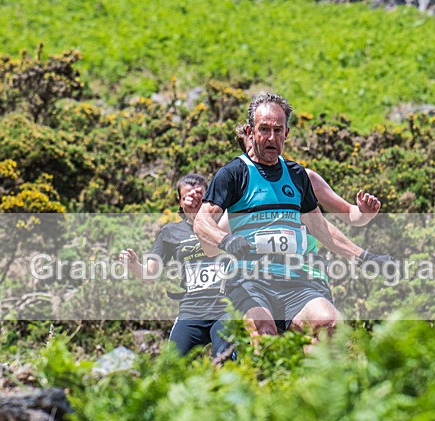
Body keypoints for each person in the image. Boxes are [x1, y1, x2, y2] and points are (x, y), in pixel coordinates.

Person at [195, 92, 389, 339]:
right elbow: (202, 221)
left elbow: (320, 228)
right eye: (264, 129)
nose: (271, 138)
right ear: (250, 131)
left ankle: (313, 377)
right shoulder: (233, 174)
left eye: (278, 130)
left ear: (287, 133)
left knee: (330, 324)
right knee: (263, 329)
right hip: (250, 280)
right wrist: (226, 241)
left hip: (296, 279)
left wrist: (365, 257)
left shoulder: (298, 176)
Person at [120, 174, 233, 360]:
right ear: (180, 202)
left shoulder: (224, 224)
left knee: (225, 360)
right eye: (187, 195)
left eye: (200, 196)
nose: (193, 199)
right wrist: (133, 264)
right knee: (171, 364)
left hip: (226, 308)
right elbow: (149, 275)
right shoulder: (170, 232)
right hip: (192, 309)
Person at [233, 122, 381, 227]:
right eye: (253, 152)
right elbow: (215, 242)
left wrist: (364, 213)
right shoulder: (241, 192)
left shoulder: (305, 178)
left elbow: (350, 214)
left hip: (305, 265)